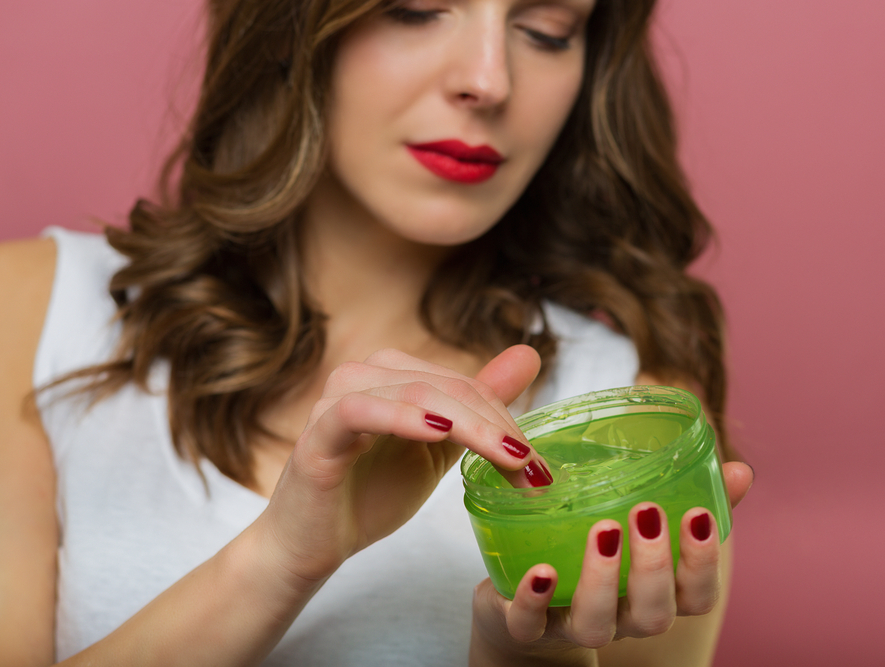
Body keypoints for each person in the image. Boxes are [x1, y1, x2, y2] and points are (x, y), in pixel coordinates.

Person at [0, 0, 754, 664]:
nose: (489, 80)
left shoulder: (635, 409)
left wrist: (522, 653)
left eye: (546, 29)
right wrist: (277, 560)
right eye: (415, 8)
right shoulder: (33, 308)